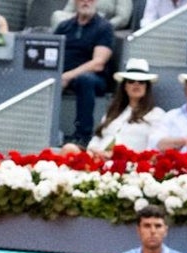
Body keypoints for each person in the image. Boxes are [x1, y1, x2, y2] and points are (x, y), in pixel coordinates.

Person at [61, 57, 164, 157]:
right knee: (69, 148)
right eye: (131, 81)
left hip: (128, 162)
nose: (136, 84)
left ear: (147, 87)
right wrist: (94, 150)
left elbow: (154, 147)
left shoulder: (156, 114)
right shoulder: (114, 112)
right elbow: (98, 137)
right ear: (125, 86)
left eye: (141, 82)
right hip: (100, 157)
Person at [55, 0, 115, 147]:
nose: (86, 2)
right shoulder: (64, 26)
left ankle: (83, 136)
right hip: (63, 75)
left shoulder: (104, 27)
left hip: (94, 79)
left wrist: (68, 75)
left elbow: (98, 63)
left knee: (85, 80)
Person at [51, 0, 133, 29]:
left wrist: (106, 26)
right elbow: (68, 11)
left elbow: (123, 18)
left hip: (100, 23)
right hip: (77, 21)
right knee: (57, 15)